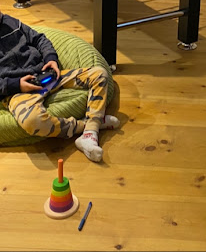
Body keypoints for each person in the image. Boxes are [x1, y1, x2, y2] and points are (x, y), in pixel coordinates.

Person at [0, 11, 119, 162]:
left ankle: (91, 131)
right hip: (18, 91)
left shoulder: (10, 22)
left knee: (99, 73)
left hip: (46, 75)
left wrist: (51, 59)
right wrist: (15, 85)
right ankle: (87, 126)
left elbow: (39, 39)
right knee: (32, 121)